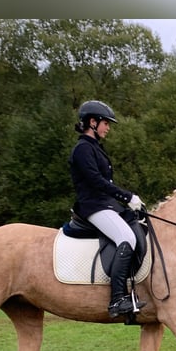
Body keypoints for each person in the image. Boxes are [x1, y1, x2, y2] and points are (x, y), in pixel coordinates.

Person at [69, 100, 147, 318]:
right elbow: (96, 181)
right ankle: (117, 299)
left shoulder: (94, 148)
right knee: (126, 238)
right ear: (92, 122)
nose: (108, 128)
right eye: (105, 123)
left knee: (136, 226)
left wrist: (128, 203)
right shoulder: (83, 149)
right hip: (93, 207)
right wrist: (126, 196)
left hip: (106, 205)